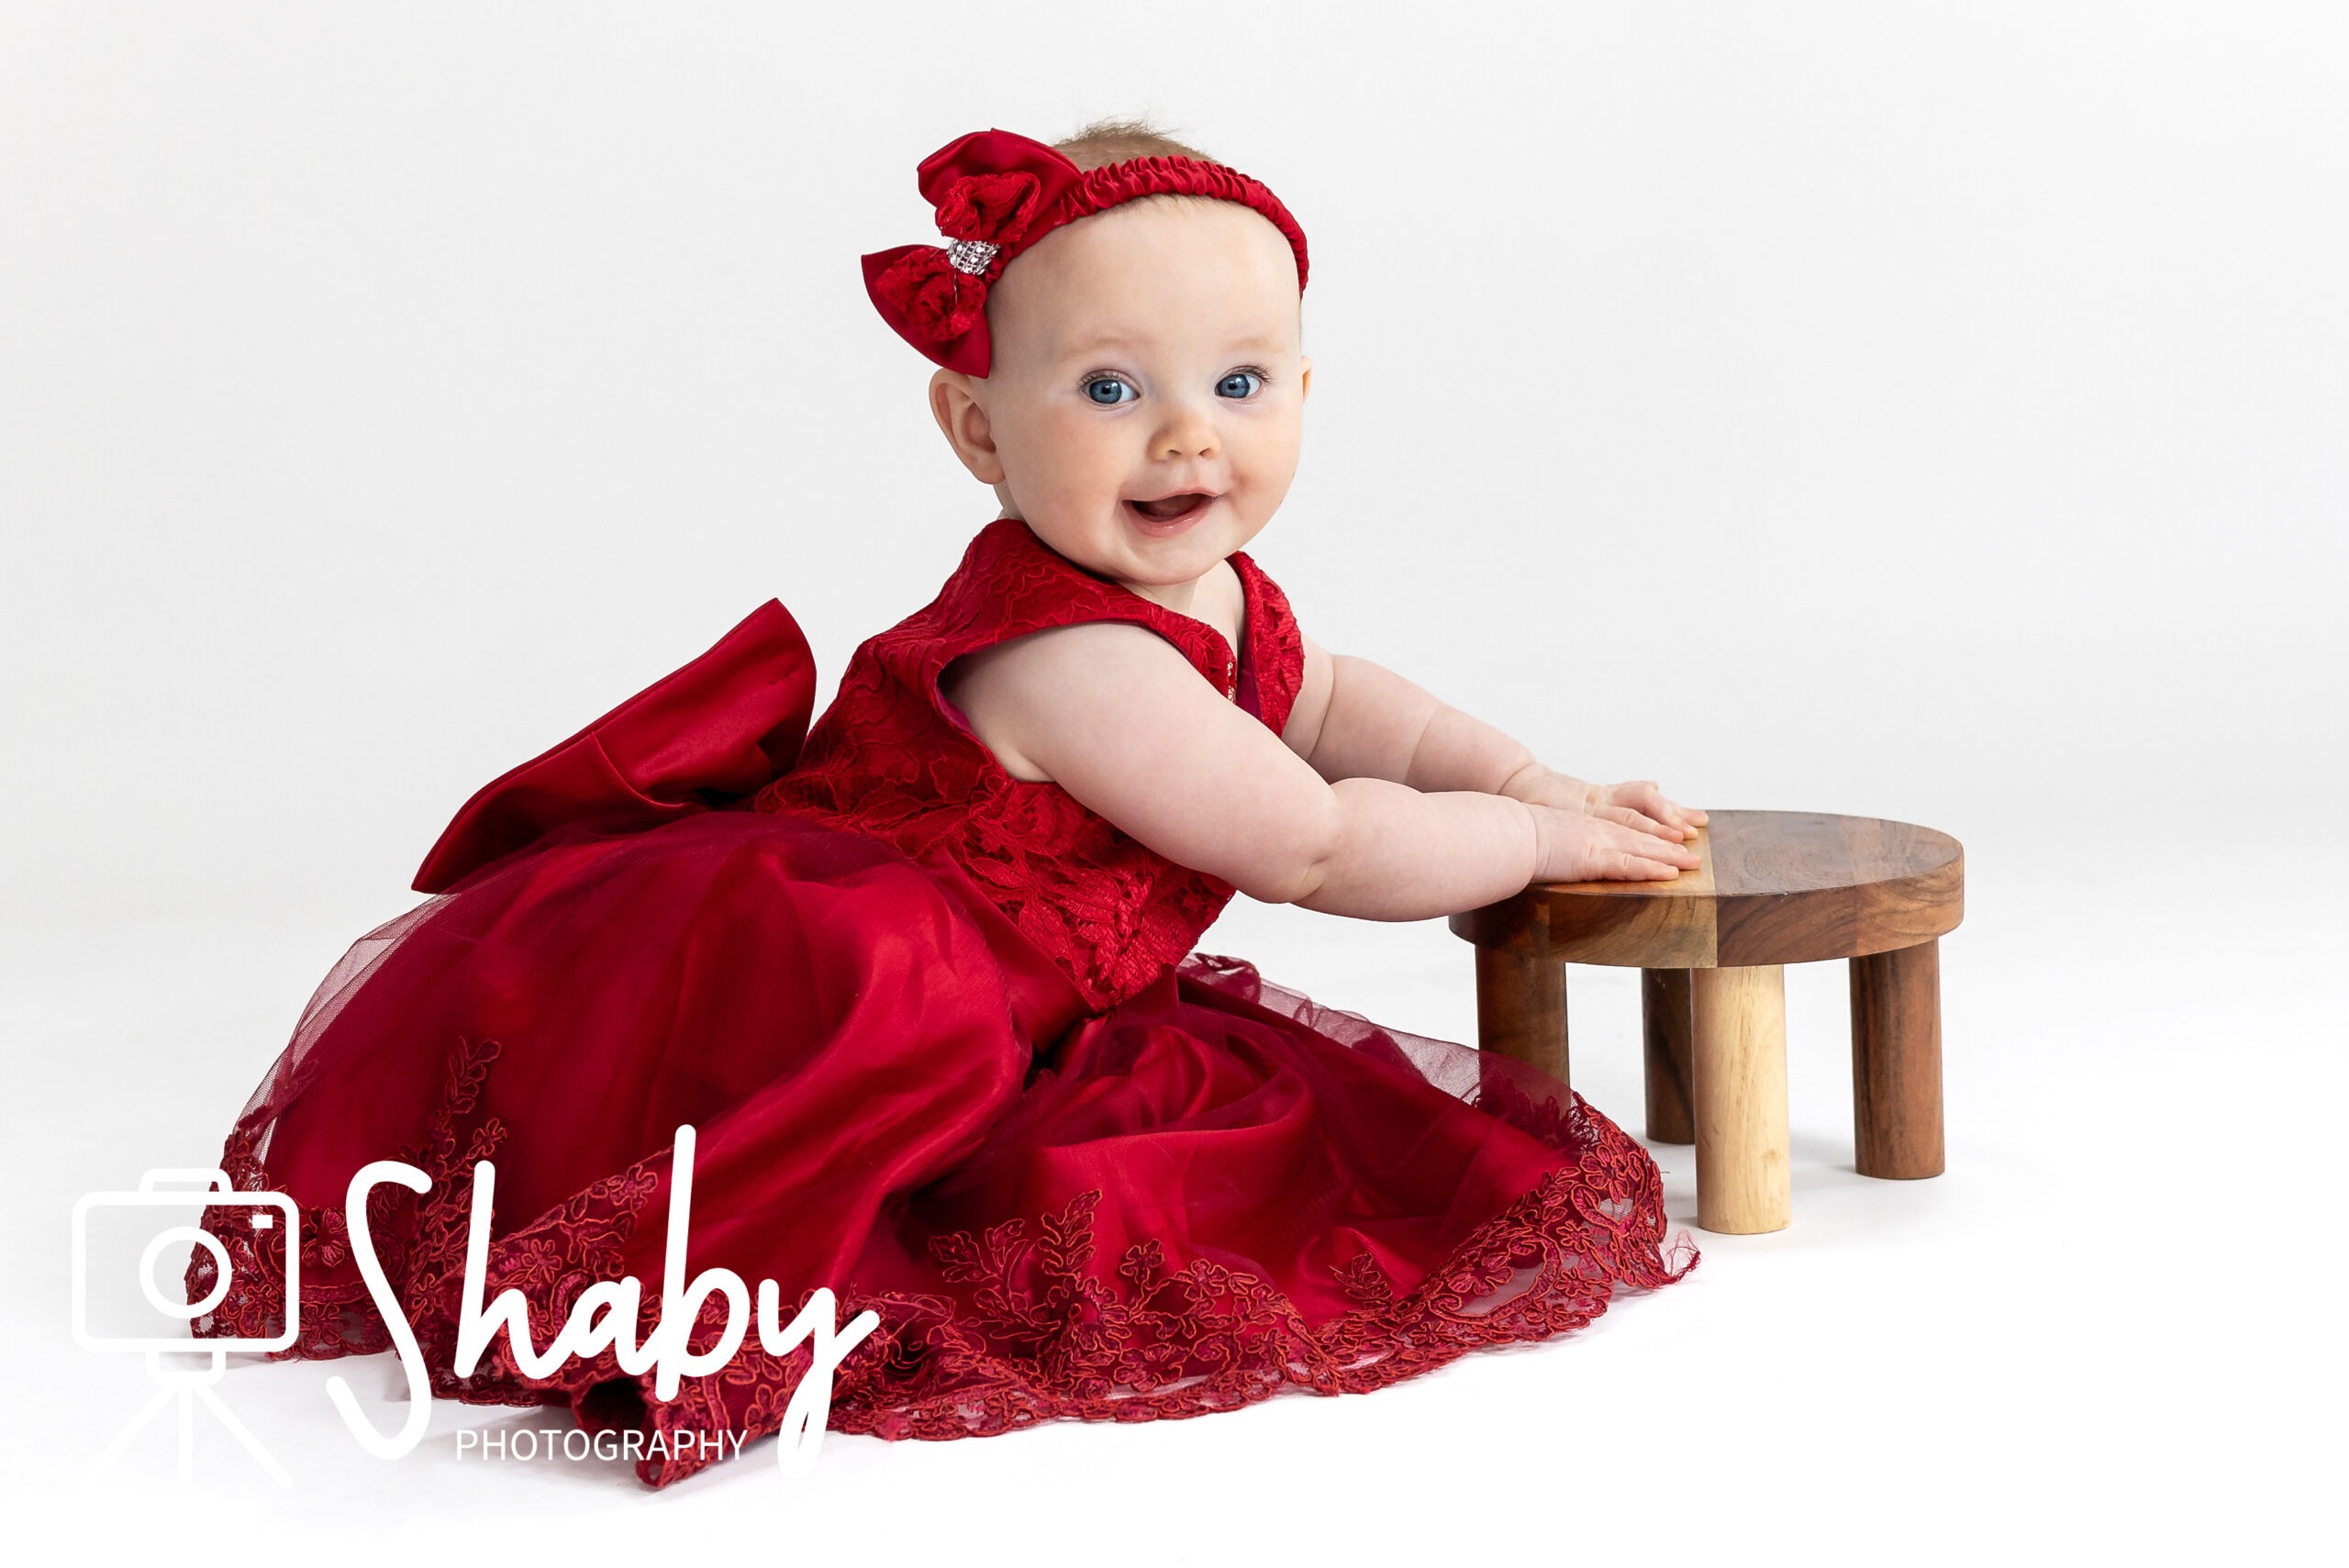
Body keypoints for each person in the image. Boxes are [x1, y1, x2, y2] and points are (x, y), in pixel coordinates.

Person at [191, 118, 1708, 1488]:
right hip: (891, 982)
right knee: (916, 1192)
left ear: (1304, 390)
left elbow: (1348, 705)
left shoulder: (1216, 590)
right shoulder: (1075, 656)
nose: (1188, 433)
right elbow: (1310, 836)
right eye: (1111, 388)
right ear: (979, 429)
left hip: (1043, 976)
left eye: (1239, 383)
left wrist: (1522, 774)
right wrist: (1539, 845)